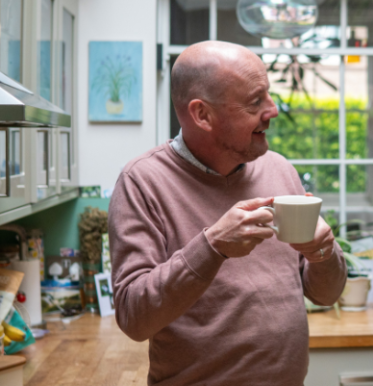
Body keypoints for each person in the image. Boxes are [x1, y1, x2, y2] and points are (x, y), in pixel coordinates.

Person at [108, 41, 347, 385]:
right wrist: (212, 246)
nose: (273, 109)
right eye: (255, 101)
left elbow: (326, 295)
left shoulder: (280, 170)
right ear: (202, 114)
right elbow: (133, 318)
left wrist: (323, 252)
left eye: (268, 94)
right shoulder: (143, 182)